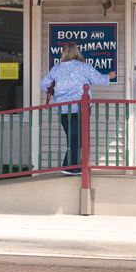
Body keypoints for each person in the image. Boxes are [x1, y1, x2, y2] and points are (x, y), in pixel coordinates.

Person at [39, 42, 116, 175]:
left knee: (73, 137)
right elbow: (100, 80)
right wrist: (109, 76)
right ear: (77, 52)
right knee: (76, 138)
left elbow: (44, 84)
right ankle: (69, 167)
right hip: (80, 108)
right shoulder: (83, 67)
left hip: (62, 108)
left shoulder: (56, 68)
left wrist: (54, 92)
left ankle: (73, 166)